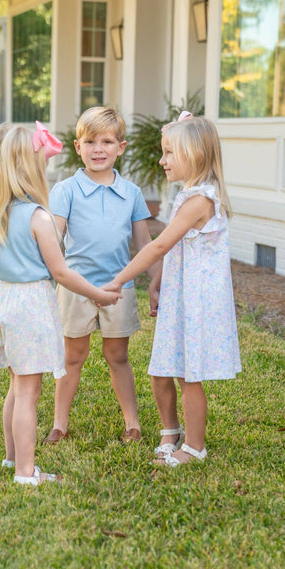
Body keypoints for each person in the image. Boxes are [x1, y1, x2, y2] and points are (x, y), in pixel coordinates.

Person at [0, 122, 121, 487]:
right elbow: (63, 273)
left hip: (3, 300)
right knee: (28, 392)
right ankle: (26, 473)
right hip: (30, 306)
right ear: (29, 169)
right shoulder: (37, 217)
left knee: (16, 385)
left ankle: (12, 458)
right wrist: (98, 295)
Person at [105, 114, 241, 466]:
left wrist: (120, 279)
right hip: (179, 295)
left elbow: (159, 246)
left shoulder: (201, 201)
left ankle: (195, 447)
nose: (162, 161)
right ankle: (171, 430)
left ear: (194, 155)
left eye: (168, 153)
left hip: (196, 301)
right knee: (161, 367)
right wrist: (157, 282)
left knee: (187, 375)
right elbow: (177, 252)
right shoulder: (186, 195)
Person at [43, 107, 160, 445]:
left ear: (120, 147)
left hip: (118, 287)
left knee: (117, 356)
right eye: (90, 141)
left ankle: (132, 424)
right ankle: (59, 425)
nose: (98, 149)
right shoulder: (65, 190)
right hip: (76, 287)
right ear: (77, 146)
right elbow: (54, 238)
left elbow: (144, 243)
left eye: (107, 141)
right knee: (73, 356)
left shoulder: (132, 193)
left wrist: (155, 279)